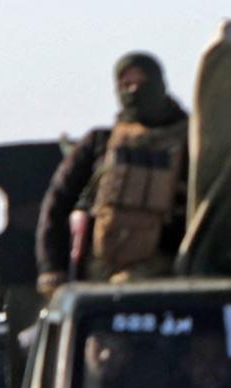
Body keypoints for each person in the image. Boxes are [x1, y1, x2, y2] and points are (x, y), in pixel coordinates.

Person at [36, 51, 189, 292]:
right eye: (126, 84)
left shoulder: (192, 142)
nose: (133, 91)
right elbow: (57, 203)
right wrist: (52, 268)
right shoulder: (100, 142)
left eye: (141, 83)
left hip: (167, 271)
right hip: (99, 273)